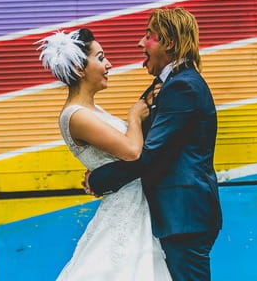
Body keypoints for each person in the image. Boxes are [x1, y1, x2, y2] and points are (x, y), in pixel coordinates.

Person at [84, 7, 222, 281]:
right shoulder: (170, 84)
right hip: (178, 215)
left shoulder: (183, 87)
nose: (140, 43)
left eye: (149, 36)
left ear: (169, 43)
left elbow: (151, 155)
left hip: (183, 216)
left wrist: (99, 179)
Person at [37, 28, 172, 281]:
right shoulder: (76, 116)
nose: (108, 64)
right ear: (79, 69)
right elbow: (132, 151)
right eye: (100, 58)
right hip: (126, 211)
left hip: (136, 207)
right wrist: (134, 116)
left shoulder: (92, 110)